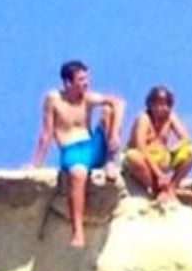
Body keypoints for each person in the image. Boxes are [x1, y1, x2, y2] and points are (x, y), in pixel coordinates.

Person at [28, 59, 126, 247]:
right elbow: (46, 133)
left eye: (86, 78)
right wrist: (36, 163)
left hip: (92, 147)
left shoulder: (87, 98)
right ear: (68, 82)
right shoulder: (53, 99)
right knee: (78, 174)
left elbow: (118, 102)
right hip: (72, 151)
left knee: (108, 110)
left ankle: (111, 161)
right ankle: (77, 230)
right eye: (81, 80)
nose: (86, 83)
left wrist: (113, 134)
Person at [123, 85, 192, 203]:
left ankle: (171, 188)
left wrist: (174, 148)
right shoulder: (144, 118)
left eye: (164, 104)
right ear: (150, 104)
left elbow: (186, 139)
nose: (160, 108)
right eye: (156, 104)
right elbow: (140, 147)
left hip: (162, 158)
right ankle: (156, 189)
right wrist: (159, 175)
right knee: (132, 156)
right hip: (145, 160)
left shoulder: (170, 117)